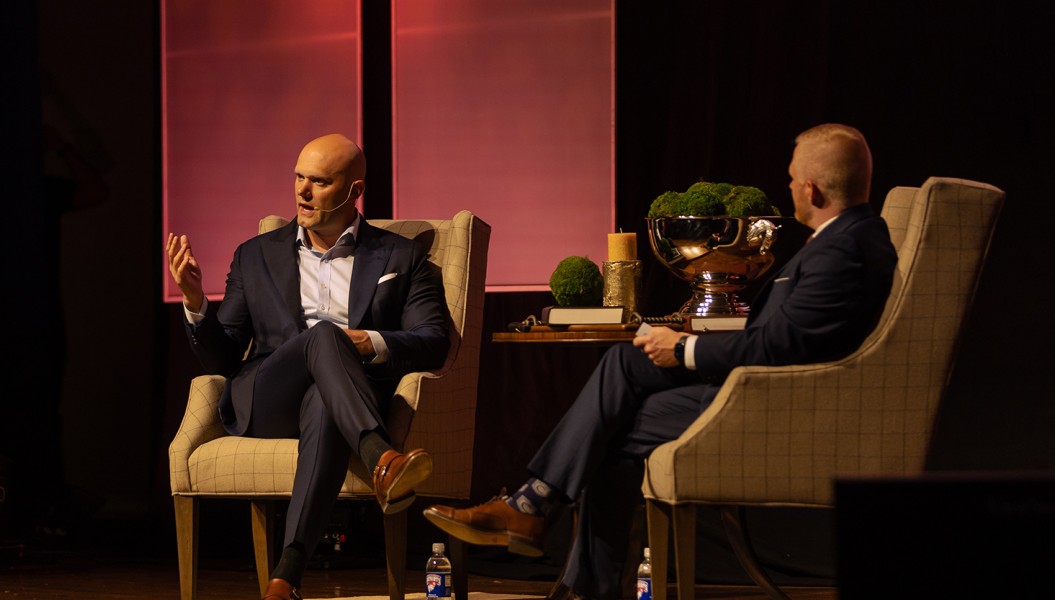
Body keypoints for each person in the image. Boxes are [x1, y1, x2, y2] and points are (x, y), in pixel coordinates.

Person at [422, 123, 897, 600]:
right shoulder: (852, 240)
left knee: (612, 413)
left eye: (794, 179)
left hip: (777, 405)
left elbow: (777, 346)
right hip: (766, 390)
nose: (790, 186)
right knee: (621, 378)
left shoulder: (845, 249)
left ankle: (541, 518)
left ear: (811, 189)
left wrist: (684, 348)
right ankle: (544, 524)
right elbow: (783, 338)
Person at [165, 133, 451, 600]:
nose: (302, 191)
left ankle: (285, 578)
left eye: (318, 181)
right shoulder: (254, 254)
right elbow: (223, 356)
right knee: (322, 335)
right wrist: (197, 304)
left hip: (341, 402)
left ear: (354, 191)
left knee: (324, 397)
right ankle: (382, 456)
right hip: (266, 398)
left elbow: (433, 342)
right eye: (299, 177)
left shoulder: (401, 256)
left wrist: (369, 341)